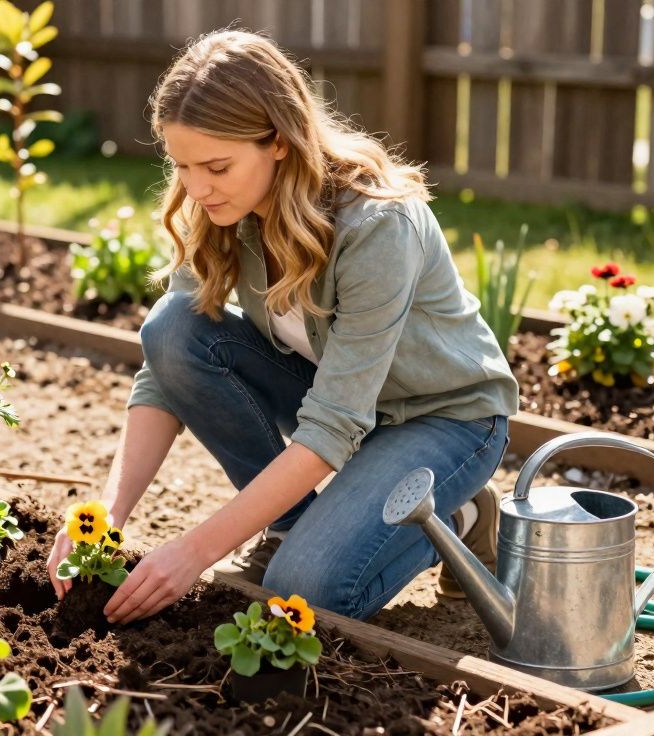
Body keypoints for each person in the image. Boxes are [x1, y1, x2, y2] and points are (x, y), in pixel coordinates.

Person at [44, 30, 517, 624]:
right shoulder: (221, 205)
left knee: (303, 589)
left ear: (281, 143)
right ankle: (289, 525)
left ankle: (458, 517)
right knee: (173, 329)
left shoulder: (378, 226)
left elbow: (333, 424)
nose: (195, 188)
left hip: (443, 419)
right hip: (344, 410)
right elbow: (166, 371)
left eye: (216, 166)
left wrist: (193, 551)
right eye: (182, 165)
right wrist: (107, 514)